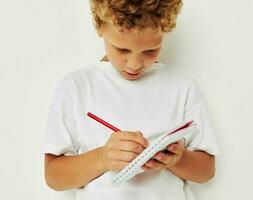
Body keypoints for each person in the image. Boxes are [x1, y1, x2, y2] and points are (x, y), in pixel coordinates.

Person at [42, 0, 219, 199]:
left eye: (150, 51)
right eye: (122, 50)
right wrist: (103, 158)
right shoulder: (77, 86)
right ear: (100, 27)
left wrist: (178, 159)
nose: (134, 65)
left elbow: (206, 171)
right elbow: (54, 176)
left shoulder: (182, 87)